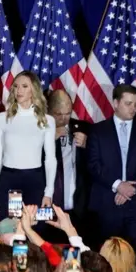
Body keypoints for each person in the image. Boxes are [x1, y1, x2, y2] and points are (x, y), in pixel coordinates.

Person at [87, 84, 136, 248]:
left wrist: (131, 188)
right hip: (108, 205)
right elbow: (92, 165)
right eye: (128, 103)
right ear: (116, 103)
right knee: (108, 257)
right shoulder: (98, 130)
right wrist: (118, 185)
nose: (133, 108)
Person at [0, 71, 57, 222]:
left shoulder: (47, 121)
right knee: (11, 228)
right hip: (10, 181)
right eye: (16, 86)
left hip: (35, 181)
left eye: (24, 86)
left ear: (34, 89)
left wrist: (49, 192)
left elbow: (51, 158)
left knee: (35, 228)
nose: (19, 90)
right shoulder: (1, 119)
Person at [46, 89, 91, 241]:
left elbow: (98, 164)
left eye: (68, 113)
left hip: (77, 209)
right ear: (49, 110)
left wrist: (87, 145)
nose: (64, 119)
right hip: (47, 209)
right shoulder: (38, 131)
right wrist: (48, 139)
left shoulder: (83, 129)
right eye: (59, 114)